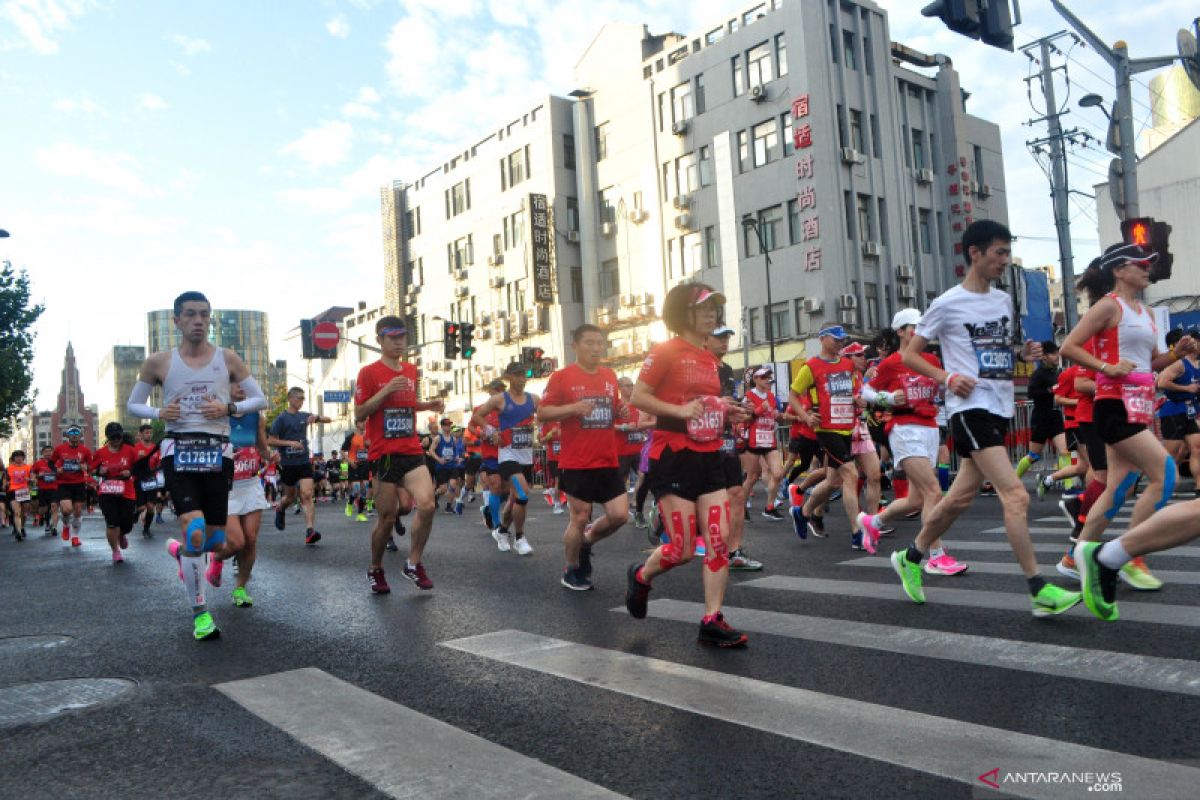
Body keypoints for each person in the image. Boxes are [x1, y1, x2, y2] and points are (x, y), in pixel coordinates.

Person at [888, 220, 1081, 617]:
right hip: (968, 410)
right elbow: (910, 355)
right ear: (974, 253)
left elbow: (994, 354)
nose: (1004, 261)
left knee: (958, 499)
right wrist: (947, 377)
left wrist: (1020, 356)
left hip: (999, 406)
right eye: (999, 253)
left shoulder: (1000, 301)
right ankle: (1038, 588)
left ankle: (911, 556)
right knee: (1016, 494)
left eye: (1007, 253)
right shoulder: (946, 303)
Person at [126, 290, 266, 640]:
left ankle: (179, 552)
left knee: (216, 542)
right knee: (195, 528)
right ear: (177, 321)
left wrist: (229, 409)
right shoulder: (159, 362)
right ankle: (201, 614)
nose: (198, 321)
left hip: (218, 452)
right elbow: (134, 404)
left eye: (204, 314)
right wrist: (159, 412)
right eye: (190, 314)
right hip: (179, 450)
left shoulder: (227, 358)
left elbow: (259, 398)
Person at [1058, 243, 1198, 589]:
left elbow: (1149, 364)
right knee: (1165, 475)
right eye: (1141, 264)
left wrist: (1173, 354)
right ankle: (1130, 556)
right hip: (1114, 405)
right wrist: (1107, 366)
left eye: (1149, 264)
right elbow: (1068, 347)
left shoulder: (1147, 313)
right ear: (1119, 270)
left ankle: (1077, 557)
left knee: (1118, 489)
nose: (1148, 269)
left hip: (1140, 404)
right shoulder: (1108, 306)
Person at [624, 283, 752, 647]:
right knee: (680, 549)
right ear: (684, 313)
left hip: (710, 455)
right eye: (704, 308)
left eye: (715, 307)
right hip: (673, 457)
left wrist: (729, 413)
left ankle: (712, 619)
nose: (712, 313)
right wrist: (679, 411)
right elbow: (639, 396)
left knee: (717, 539)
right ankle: (641, 577)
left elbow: (704, 407)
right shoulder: (665, 351)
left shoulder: (712, 360)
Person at [857, 309, 967, 575]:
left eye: (923, 326)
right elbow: (865, 391)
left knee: (916, 500)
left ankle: (873, 521)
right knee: (933, 492)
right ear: (900, 331)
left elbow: (944, 387)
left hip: (930, 428)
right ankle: (935, 556)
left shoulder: (930, 359)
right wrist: (886, 398)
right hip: (904, 429)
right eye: (914, 327)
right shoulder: (891, 363)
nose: (920, 331)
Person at [354, 316, 443, 594]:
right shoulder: (368, 373)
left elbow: (405, 403)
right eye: (392, 337)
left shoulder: (411, 369)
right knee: (387, 518)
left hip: (411, 450)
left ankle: (413, 563)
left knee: (427, 506)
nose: (399, 342)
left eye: (402, 336)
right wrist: (385, 390)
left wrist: (427, 404)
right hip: (384, 455)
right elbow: (360, 412)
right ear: (379, 340)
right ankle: (375, 567)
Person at [538, 324, 629, 590]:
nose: (595, 348)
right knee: (579, 517)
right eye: (589, 343)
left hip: (607, 459)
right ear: (575, 346)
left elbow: (613, 410)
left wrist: (620, 411)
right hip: (577, 461)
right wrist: (573, 408)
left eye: (599, 343)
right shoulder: (562, 377)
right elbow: (542, 414)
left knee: (620, 515)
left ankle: (586, 543)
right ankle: (571, 568)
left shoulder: (610, 375)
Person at [789, 326, 869, 549]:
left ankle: (802, 512)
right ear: (822, 339)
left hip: (846, 428)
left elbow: (851, 391)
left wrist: (856, 399)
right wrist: (805, 416)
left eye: (842, 340)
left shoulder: (848, 364)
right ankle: (856, 533)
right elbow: (793, 395)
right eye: (835, 339)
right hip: (826, 429)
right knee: (851, 475)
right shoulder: (811, 366)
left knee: (834, 481)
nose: (839, 343)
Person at [206, 390, 272, 608]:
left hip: (251, 484)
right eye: (236, 382)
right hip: (226, 487)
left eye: (245, 383)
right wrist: (223, 455)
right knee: (236, 542)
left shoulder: (256, 416)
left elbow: (262, 447)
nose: (242, 387)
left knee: (251, 540)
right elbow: (205, 448)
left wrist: (270, 456)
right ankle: (216, 559)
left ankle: (240, 588)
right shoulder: (216, 416)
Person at [707, 326, 761, 570]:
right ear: (704, 339)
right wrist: (718, 403)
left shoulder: (727, 370)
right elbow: (683, 403)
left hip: (726, 439)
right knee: (703, 498)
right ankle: (665, 521)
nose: (725, 342)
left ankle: (734, 552)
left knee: (736, 494)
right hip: (699, 441)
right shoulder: (693, 368)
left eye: (727, 337)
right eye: (719, 338)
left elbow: (728, 403)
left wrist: (739, 410)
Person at [471, 363, 540, 555]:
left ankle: (502, 530)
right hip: (507, 455)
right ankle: (519, 537)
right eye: (517, 375)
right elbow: (478, 417)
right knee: (523, 494)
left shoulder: (534, 399)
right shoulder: (500, 399)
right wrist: (491, 431)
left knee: (514, 499)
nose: (522, 379)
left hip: (526, 456)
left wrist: (542, 428)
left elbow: (544, 416)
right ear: (509, 377)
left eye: (524, 375)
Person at [267, 387, 331, 545]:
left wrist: (316, 417)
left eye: (303, 398)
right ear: (290, 399)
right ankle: (280, 508)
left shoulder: (304, 416)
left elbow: (329, 419)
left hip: (303, 462)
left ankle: (310, 531)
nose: (301, 401)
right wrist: (289, 443)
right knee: (290, 497)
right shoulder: (281, 419)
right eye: (299, 398)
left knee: (307, 494)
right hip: (288, 464)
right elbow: (270, 440)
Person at [1016, 342, 1070, 489]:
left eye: (1057, 353)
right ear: (1044, 357)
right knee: (1033, 456)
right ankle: (1013, 481)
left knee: (1065, 452)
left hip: (1055, 416)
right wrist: (1050, 390)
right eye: (1053, 354)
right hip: (1040, 417)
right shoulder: (1038, 374)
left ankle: (1068, 486)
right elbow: (1031, 394)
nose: (1057, 357)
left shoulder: (1058, 373)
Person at [742, 366, 788, 521]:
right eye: (763, 377)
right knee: (752, 477)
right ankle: (741, 506)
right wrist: (759, 410)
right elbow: (744, 418)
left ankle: (769, 508)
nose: (767, 380)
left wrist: (778, 415)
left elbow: (779, 417)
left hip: (769, 439)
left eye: (768, 377)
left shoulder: (771, 396)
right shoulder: (748, 396)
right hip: (754, 441)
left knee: (778, 473)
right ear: (755, 379)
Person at [1156, 329, 1200, 493]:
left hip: (1189, 411)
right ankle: (1159, 484)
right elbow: (1161, 383)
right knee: (1171, 455)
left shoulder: (1196, 365)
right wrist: (1187, 388)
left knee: (1196, 448)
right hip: (1172, 412)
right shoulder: (1179, 363)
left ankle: (1198, 486)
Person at [90, 422, 138, 563]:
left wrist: (130, 471)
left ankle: (122, 534)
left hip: (127, 492)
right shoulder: (100, 453)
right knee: (112, 523)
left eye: (118, 436)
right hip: (107, 491)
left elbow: (140, 466)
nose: (116, 440)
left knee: (127, 524)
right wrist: (99, 471)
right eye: (113, 437)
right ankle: (115, 551)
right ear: (107, 437)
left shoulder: (130, 450)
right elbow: (92, 470)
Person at [51, 425, 92, 547]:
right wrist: (56, 469)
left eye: (77, 433)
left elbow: (91, 466)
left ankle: (75, 536)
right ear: (67, 435)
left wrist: (86, 468)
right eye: (71, 433)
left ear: (80, 435)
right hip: (63, 483)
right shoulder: (59, 449)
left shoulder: (85, 451)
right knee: (67, 510)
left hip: (79, 483)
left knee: (78, 511)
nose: (74, 435)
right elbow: (50, 463)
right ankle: (65, 525)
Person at [131, 423, 161, 538]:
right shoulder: (135, 448)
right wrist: (138, 457)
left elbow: (159, 463)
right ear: (141, 434)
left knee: (150, 507)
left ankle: (146, 529)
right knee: (141, 507)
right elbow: (131, 464)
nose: (149, 435)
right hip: (138, 480)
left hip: (151, 480)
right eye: (146, 433)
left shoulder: (155, 448)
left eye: (150, 432)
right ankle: (136, 513)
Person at [428, 419, 463, 513]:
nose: (448, 427)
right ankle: (435, 495)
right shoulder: (438, 438)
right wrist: (439, 459)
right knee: (443, 489)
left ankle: (448, 506)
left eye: (450, 425)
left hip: (452, 466)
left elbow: (455, 452)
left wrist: (457, 458)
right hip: (441, 467)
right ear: (442, 427)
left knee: (453, 484)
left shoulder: (453, 438)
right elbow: (431, 450)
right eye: (446, 425)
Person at [342, 421, 371, 521]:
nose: (364, 424)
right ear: (357, 424)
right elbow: (342, 451)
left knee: (365, 489)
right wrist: (350, 461)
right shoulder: (351, 436)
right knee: (357, 489)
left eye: (365, 422)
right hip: (354, 464)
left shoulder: (368, 436)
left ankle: (360, 514)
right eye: (361, 422)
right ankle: (349, 503)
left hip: (365, 465)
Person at [31, 445, 60, 536]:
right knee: (43, 509)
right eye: (46, 451)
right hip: (42, 489)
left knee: (54, 507)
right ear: (42, 453)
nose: (48, 453)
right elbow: (32, 474)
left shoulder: (57, 463)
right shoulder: (38, 463)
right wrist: (37, 476)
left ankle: (54, 527)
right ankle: (43, 519)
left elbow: (61, 472)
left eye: (50, 451)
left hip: (55, 488)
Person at [539, 420, 564, 514]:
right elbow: (541, 440)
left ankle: (553, 492)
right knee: (558, 480)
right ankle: (557, 505)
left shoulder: (565, 421)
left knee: (565, 481)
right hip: (553, 458)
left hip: (566, 457)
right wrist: (551, 433)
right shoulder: (548, 424)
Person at [7, 451, 31, 541]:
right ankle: (19, 532)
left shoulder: (28, 467)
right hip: (13, 491)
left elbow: (33, 479)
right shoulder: (9, 468)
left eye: (20, 456)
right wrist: (6, 484)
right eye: (16, 456)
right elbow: (5, 480)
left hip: (24, 491)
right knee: (17, 512)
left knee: (24, 514)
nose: (19, 458)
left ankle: (22, 527)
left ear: (23, 457)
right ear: (13, 458)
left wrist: (30, 479)